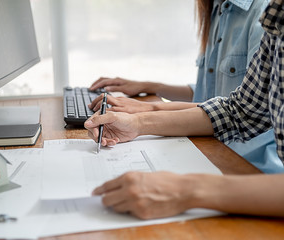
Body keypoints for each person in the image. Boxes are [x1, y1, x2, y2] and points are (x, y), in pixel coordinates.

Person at [84, 0, 284, 219]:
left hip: (254, 176)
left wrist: (187, 190)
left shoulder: (263, 10)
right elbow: (240, 111)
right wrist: (138, 123)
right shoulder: (276, 15)